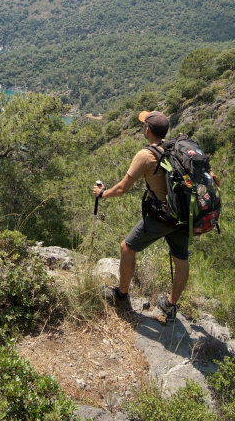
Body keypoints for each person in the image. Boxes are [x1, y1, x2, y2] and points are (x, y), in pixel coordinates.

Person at [92, 110, 188, 323]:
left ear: (147, 130)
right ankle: (170, 306)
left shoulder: (146, 155)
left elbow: (122, 188)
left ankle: (121, 297)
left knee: (126, 247)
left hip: (163, 217)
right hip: (183, 215)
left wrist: (102, 194)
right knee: (181, 258)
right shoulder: (176, 149)